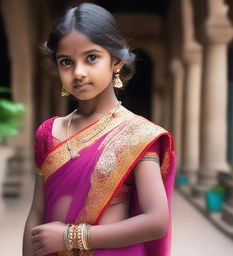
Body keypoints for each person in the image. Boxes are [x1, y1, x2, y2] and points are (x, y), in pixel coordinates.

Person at [22, 3, 176, 256]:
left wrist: (70, 237)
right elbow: (36, 213)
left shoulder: (138, 134)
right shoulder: (48, 132)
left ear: (116, 61)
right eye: (66, 62)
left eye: (91, 57)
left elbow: (156, 221)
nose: (78, 72)